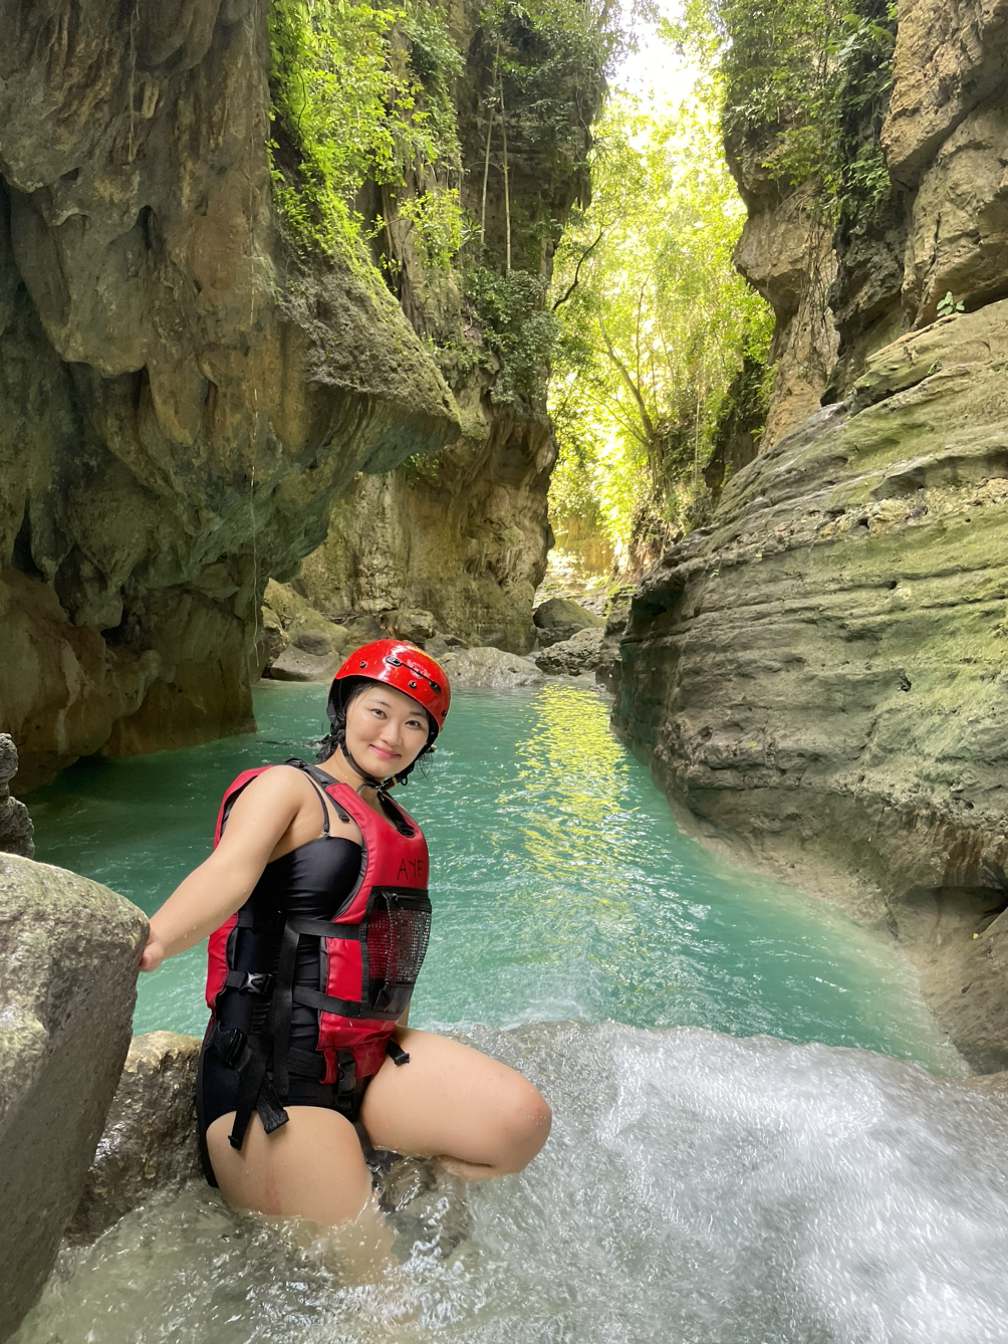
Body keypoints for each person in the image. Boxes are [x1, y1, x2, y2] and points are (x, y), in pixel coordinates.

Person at [140, 639, 551, 1233]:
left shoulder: (399, 827)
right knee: (377, 1284)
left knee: (520, 1124)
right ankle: (319, 1176)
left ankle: (378, 1168)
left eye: (415, 724)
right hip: (269, 1076)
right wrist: (151, 941)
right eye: (378, 711)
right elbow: (227, 874)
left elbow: (383, 954)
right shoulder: (288, 788)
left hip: (362, 1064)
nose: (393, 735)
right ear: (343, 709)